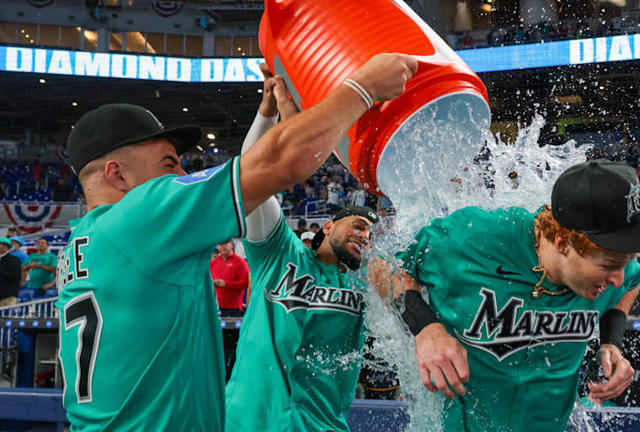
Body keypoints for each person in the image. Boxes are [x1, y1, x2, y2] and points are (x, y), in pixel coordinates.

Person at [55, 53, 417, 430]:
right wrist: (365, 87)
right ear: (117, 175)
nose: (182, 174)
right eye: (168, 164)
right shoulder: (140, 217)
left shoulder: (80, 246)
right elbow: (280, 161)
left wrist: (270, 115)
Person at [390, 160, 640, 431]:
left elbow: (633, 282)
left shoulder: (613, 269)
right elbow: (386, 266)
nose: (617, 279)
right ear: (562, 243)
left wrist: (611, 342)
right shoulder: (473, 239)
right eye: (608, 265)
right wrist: (425, 328)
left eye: (625, 262)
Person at [224, 71, 382, 431]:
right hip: (247, 421)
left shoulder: (365, 284)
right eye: (358, 225)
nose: (364, 236)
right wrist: (268, 112)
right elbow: (250, 178)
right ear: (327, 226)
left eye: (370, 233)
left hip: (321, 425)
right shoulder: (279, 251)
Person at [210, 239, 250, 317]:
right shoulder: (213, 263)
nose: (223, 246)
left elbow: (246, 283)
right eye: (221, 244)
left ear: (232, 245)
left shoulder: (240, 262)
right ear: (217, 246)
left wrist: (226, 284)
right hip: (214, 307)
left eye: (226, 244)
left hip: (234, 309)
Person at [0, 237, 22, 307]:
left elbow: (16, 277)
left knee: (7, 313)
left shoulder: (13, 259)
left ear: (8, 247)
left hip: (7, 296)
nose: (1, 246)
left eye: (3, 244)